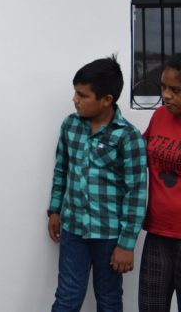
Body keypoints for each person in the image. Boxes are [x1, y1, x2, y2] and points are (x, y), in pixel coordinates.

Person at [47, 56, 147, 312]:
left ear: (106, 100)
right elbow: (62, 169)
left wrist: (126, 244)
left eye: (82, 95)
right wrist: (54, 210)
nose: (75, 99)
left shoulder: (128, 136)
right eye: (75, 92)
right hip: (73, 230)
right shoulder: (71, 125)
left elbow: (136, 192)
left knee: (109, 300)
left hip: (110, 236)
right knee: (67, 298)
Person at [139, 54, 181, 311]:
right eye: (163, 87)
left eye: (175, 90)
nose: (166, 95)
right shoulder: (160, 117)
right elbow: (138, 154)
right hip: (158, 235)